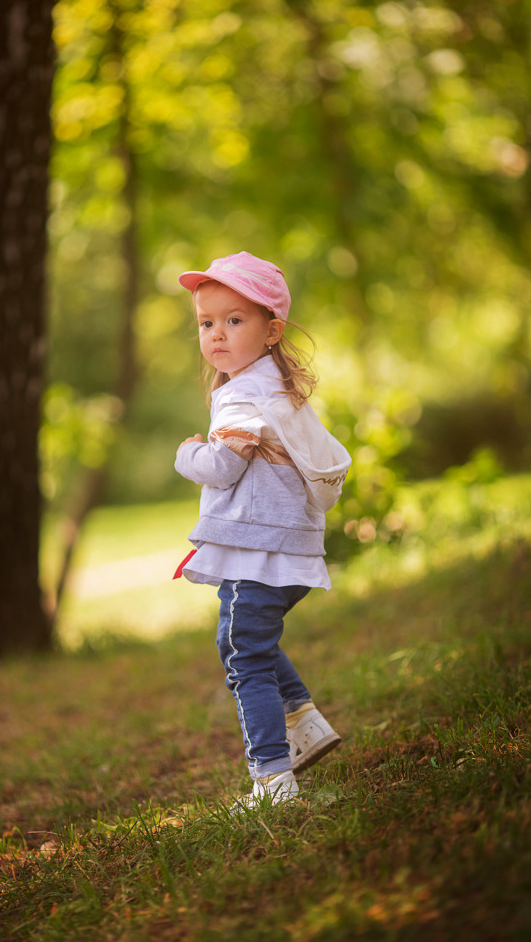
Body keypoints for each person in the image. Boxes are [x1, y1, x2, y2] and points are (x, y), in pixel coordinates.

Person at [174, 251, 351, 808]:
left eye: (234, 320)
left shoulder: (241, 394)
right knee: (242, 639)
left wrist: (187, 454)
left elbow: (222, 467)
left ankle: (272, 779)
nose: (217, 335)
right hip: (283, 548)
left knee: (244, 654)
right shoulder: (275, 384)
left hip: (262, 550)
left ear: (272, 330)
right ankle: (304, 723)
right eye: (207, 323)